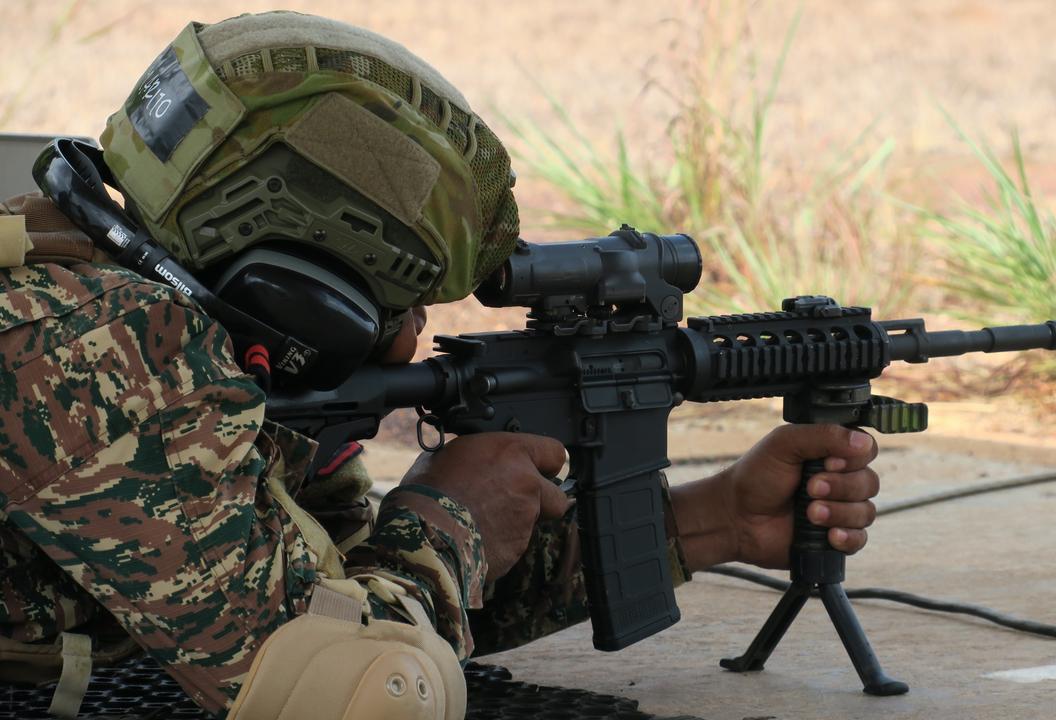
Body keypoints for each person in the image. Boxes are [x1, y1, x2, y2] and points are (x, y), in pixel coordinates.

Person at [0, 11, 881, 720]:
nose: (412, 337)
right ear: (299, 294)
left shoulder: (116, 294)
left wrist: (713, 519)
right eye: (397, 303)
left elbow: (349, 598)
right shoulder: (94, 345)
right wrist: (449, 516)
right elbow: (363, 692)